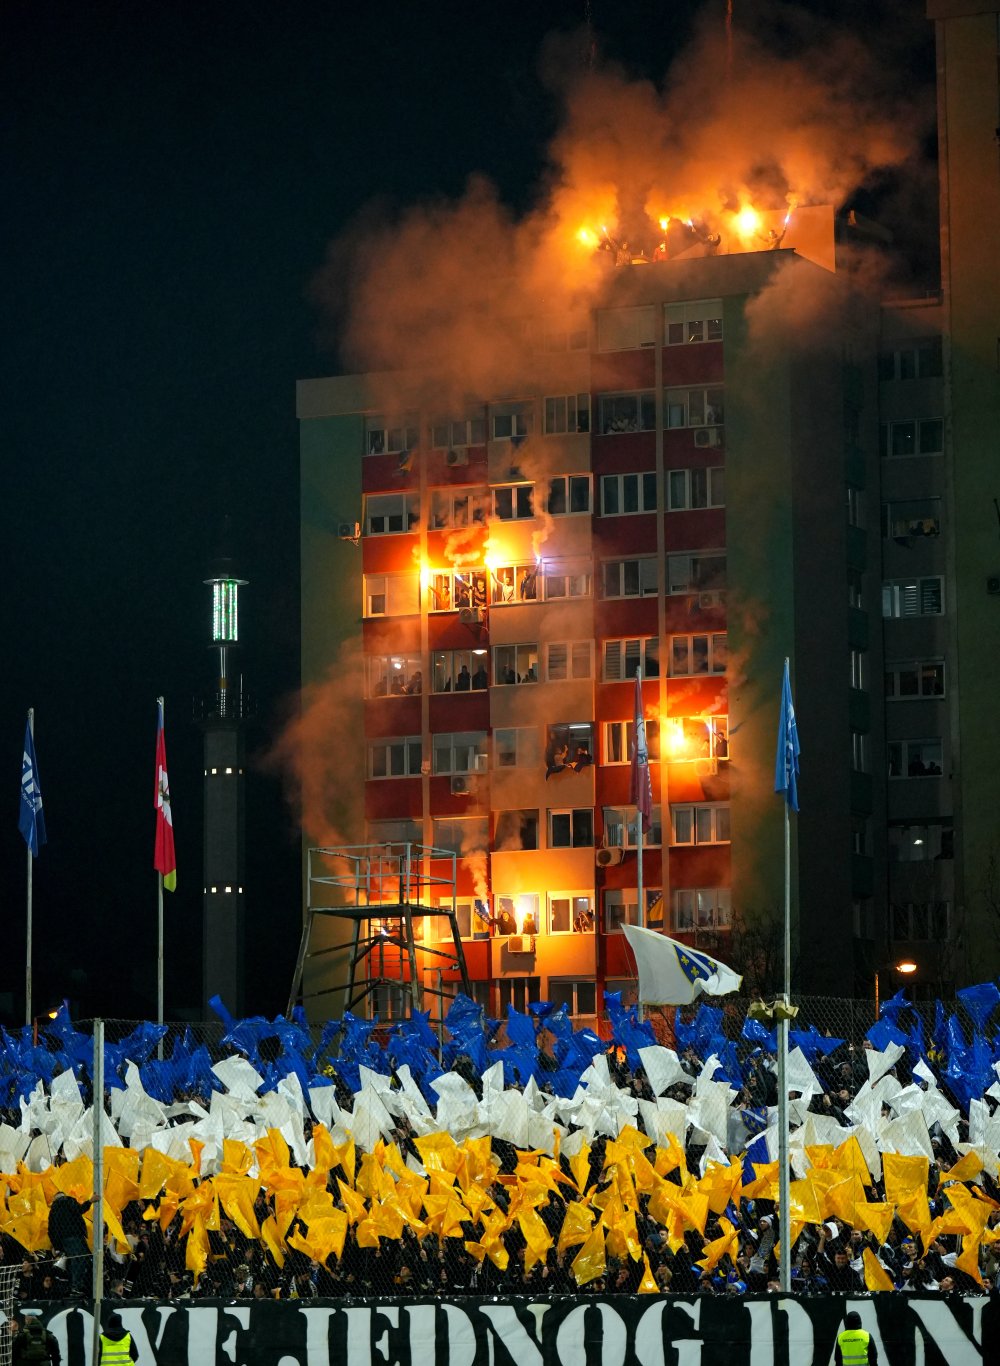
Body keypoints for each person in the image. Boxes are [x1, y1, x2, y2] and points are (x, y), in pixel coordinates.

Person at [47, 1189, 92, 1298]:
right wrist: (90, 1201)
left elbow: (51, 1231)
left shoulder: (53, 1211)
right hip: (75, 1236)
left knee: (74, 1261)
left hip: (64, 1241)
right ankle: (76, 1286)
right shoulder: (67, 1200)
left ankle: (73, 1286)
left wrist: (57, 1246)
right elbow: (79, 1209)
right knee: (81, 1260)